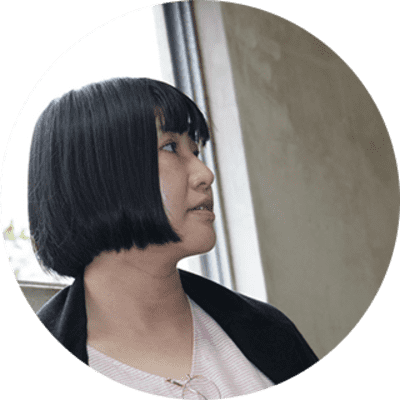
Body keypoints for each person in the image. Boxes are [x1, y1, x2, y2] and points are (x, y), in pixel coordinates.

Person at [30, 78, 318, 399]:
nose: (205, 174)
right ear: (93, 175)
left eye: (195, 150)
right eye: (170, 147)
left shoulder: (271, 332)